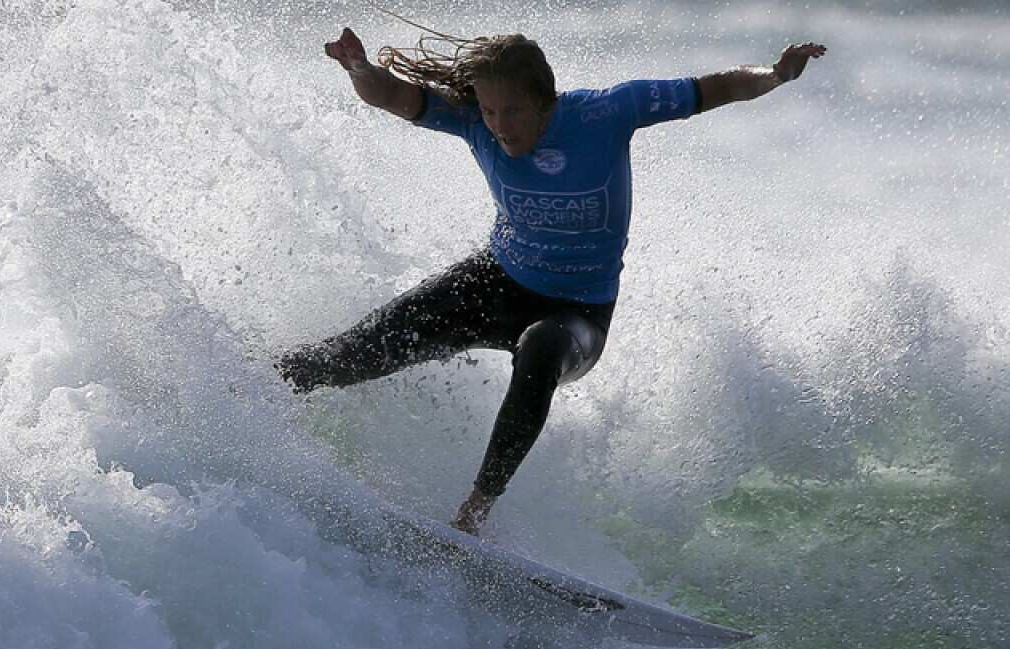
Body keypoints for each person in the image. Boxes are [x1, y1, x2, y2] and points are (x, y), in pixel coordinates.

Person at [276, 25, 826, 535]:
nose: (499, 126)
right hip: (494, 282)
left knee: (540, 348)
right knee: (352, 351)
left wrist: (775, 75)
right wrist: (358, 67)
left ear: (546, 100)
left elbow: (716, 88)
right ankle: (249, 392)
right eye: (490, 111)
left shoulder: (608, 113)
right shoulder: (474, 123)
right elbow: (393, 96)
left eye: (512, 111)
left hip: (577, 314)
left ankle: (475, 510)